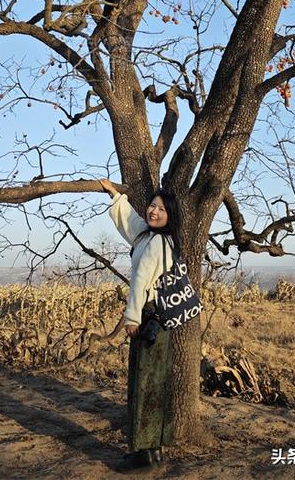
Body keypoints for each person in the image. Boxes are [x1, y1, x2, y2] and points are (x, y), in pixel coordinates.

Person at [100, 178, 182, 471]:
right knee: (154, 383)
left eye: (161, 209)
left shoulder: (156, 242)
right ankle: (152, 451)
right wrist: (115, 196)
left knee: (143, 383)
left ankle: (140, 454)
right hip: (161, 322)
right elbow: (133, 223)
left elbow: (139, 281)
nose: (153, 212)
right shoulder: (154, 238)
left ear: (170, 215)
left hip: (147, 316)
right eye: (152, 206)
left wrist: (132, 317)